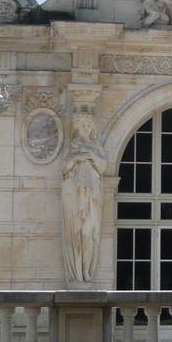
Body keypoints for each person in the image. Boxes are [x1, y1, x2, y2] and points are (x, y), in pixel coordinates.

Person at [61, 114, 106, 284]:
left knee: (88, 233)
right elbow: (64, 168)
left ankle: (86, 271)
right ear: (77, 128)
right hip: (75, 194)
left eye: (88, 125)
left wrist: (91, 155)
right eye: (83, 126)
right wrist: (77, 158)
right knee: (76, 233)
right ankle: (77, 272)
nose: (86, 129)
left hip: (91, 196)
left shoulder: (95, 146)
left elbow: (102, 167)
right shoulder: (72, 146)